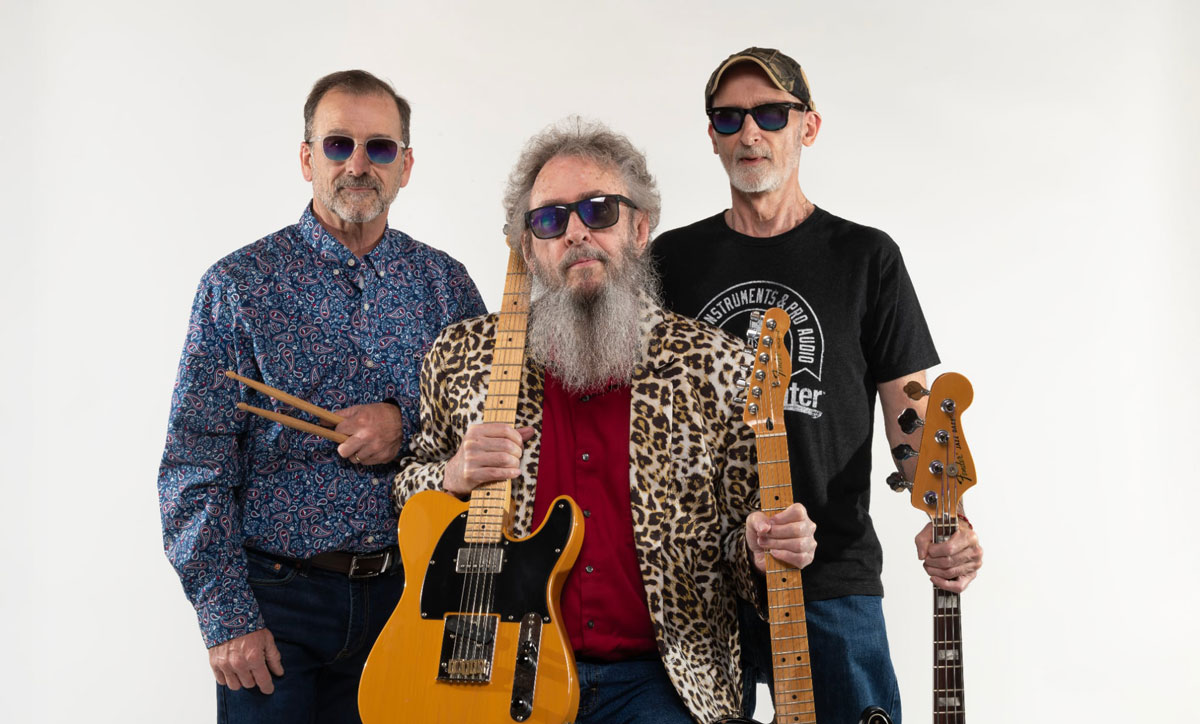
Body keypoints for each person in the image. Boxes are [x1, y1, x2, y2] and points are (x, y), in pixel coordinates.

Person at [391, 118, 815, 724]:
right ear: (530, 248)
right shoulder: (463, 358)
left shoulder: (717, 367)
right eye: (550, 219)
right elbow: (404, 496)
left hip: (662, 679)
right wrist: (451, 475)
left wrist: (761, 547)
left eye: (599, 211)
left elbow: (746, 551)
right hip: (501, 668)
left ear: (640, 229)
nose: (575, 233)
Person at [649, 48, 985, 723]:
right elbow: (643, 424)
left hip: (832, 572)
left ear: (809, 126)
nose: (750, 132)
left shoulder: (865, 257)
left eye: (771, 113)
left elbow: (911, 412)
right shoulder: (669, 261)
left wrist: (944, 520)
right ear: (710, 135)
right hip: (703, 582)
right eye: (729, 117)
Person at [158, 69, 486, 723]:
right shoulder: (238, 285)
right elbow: (193, 466)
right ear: (307, 158)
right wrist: (226, 617)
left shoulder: (444, 284)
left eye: (380, 148)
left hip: (411, 595)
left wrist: (406, 423)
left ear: (407, 166)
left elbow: (497, 426)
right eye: (338, 144)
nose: (359, 164)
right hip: (276, 602)